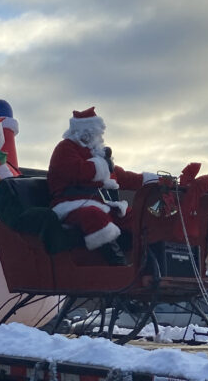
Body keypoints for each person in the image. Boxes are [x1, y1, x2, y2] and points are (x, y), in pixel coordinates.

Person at [47, 107, 159, 265]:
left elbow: (122, 177)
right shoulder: (65, 149)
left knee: (135, 218)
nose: (98, 136)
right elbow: (79, 172)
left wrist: (153, 180)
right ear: (83, 131)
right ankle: (118, 265)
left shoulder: (96, 153)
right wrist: (102, 164)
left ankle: (147, 262)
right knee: (93, 215)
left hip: (102, 203)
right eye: (95, 132)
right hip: (70, 204)